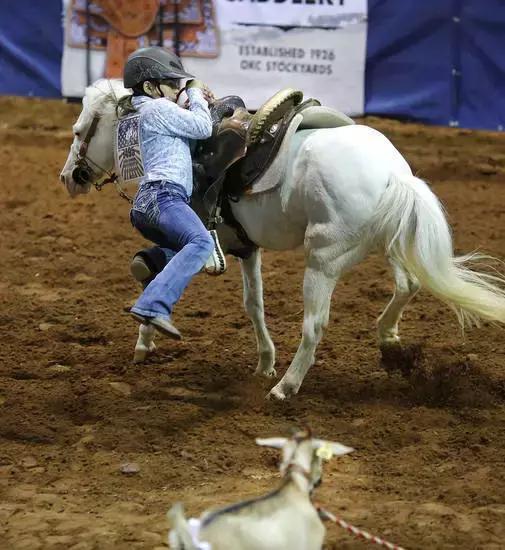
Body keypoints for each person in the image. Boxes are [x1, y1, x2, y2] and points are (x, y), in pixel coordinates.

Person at [122, 46, 220, 340]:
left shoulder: (135, 114)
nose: (177, 88)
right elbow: (203, 128)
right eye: (172, 84)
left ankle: (152, 260)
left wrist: (187, 99)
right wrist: (196, 93)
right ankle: (154, 305)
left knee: (183, 250)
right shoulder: (159, 108)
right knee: (201, 243)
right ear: (151, 86)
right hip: (165, 196)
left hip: (144, 203)